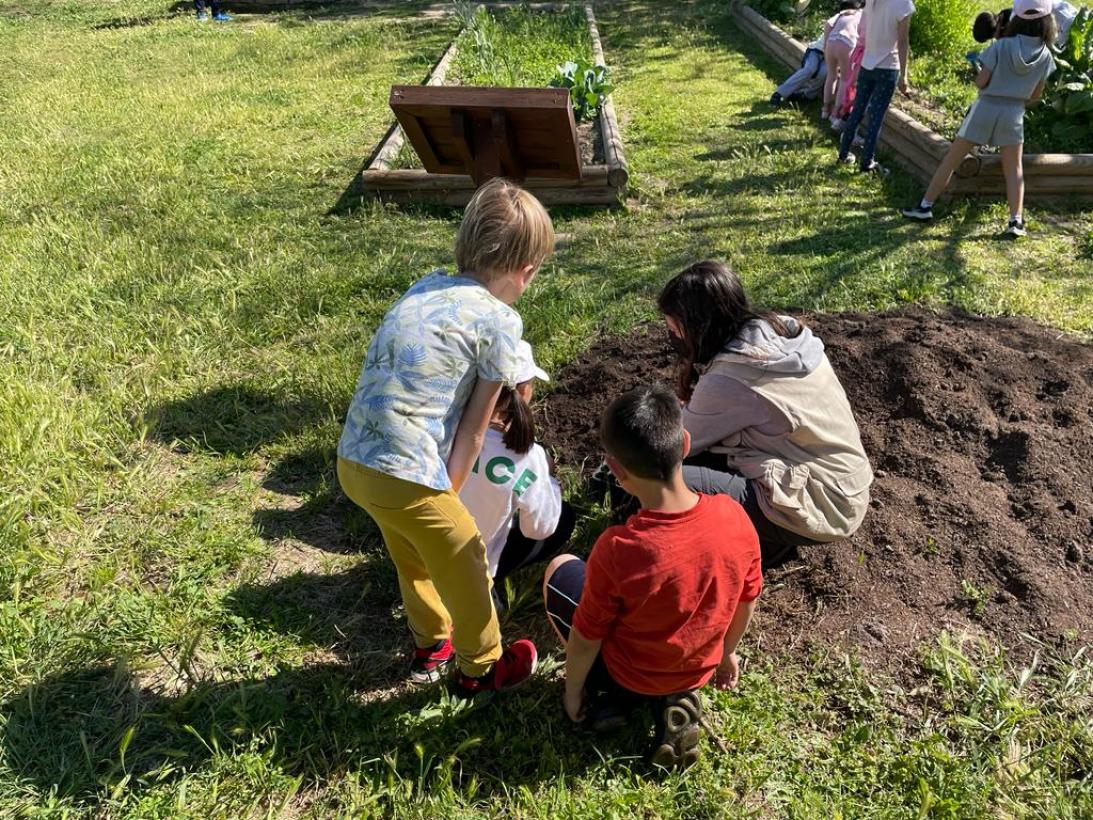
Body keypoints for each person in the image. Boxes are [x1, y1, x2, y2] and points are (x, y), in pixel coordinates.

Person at [336, 178, 554, 696]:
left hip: (354, 461)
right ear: (526, 272)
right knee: (465, 556)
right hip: (407, 472)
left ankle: (431, 641)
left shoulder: (426, 285)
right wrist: (450, 492)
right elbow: (476, 428)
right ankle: (482, 665)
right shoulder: (501, 321)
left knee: (411, 552)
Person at [542, 385, 762, 770]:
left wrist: (571, 691)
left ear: (615, 470)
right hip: (699, 668)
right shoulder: (734, 517)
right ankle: (671, 697)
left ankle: (611, 696)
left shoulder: (618, 548)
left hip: (631, 674)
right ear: (687, 444)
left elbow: (585, 637)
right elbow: (747, 599)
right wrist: (726, 653)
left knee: (559, 569)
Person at [657, 261, 874, 567]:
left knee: (661, 481)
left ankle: (763, 543)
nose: (672, 336)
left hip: (823, 508)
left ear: (695, 326)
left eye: (673, 328)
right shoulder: (779, 331)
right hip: (845, 483)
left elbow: (674, 443)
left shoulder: (731, 378)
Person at [901, 0, 1056, 238]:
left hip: (986, 107)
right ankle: (1016, 221)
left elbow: (981, 82)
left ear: (1016, 18)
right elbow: (1035, 95)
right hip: (1014, 112)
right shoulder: (1045, 55)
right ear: (1047, 21)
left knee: (951, 160)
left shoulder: (1000, 47)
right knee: (1014, 169)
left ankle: (925, 206)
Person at [459, 340, 576, 611]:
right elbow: (540, 528)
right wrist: (548, 478)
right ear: (524, 391)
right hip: (472, 562)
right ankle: (485, 585)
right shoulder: (530, 458)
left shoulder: (448, 428)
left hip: (424, 549)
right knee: (564, 517)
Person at [836, 0, 916, 174]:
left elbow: (863, 31)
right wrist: (904, 77)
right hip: (888, 68)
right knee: (876, 117)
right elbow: (902, 41)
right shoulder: (903, 4)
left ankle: (843, 155)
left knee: (857, 111)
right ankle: (867, 162)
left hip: (866, 64)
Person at [823, 0, 865, 122]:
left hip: (832, 40)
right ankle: (835, 112)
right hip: (846, 42)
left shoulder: (842, 13)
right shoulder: (862, 15)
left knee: (831, 75)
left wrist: (826, 44)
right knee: (845, 79)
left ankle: (825, 109)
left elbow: (828, 24)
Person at [770, 30, 829, 104]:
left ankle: (807, 96)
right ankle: (779, 93)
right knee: (810, 69)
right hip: (816, 51)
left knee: (824, 72)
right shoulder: (834, 22)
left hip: (832, 57)